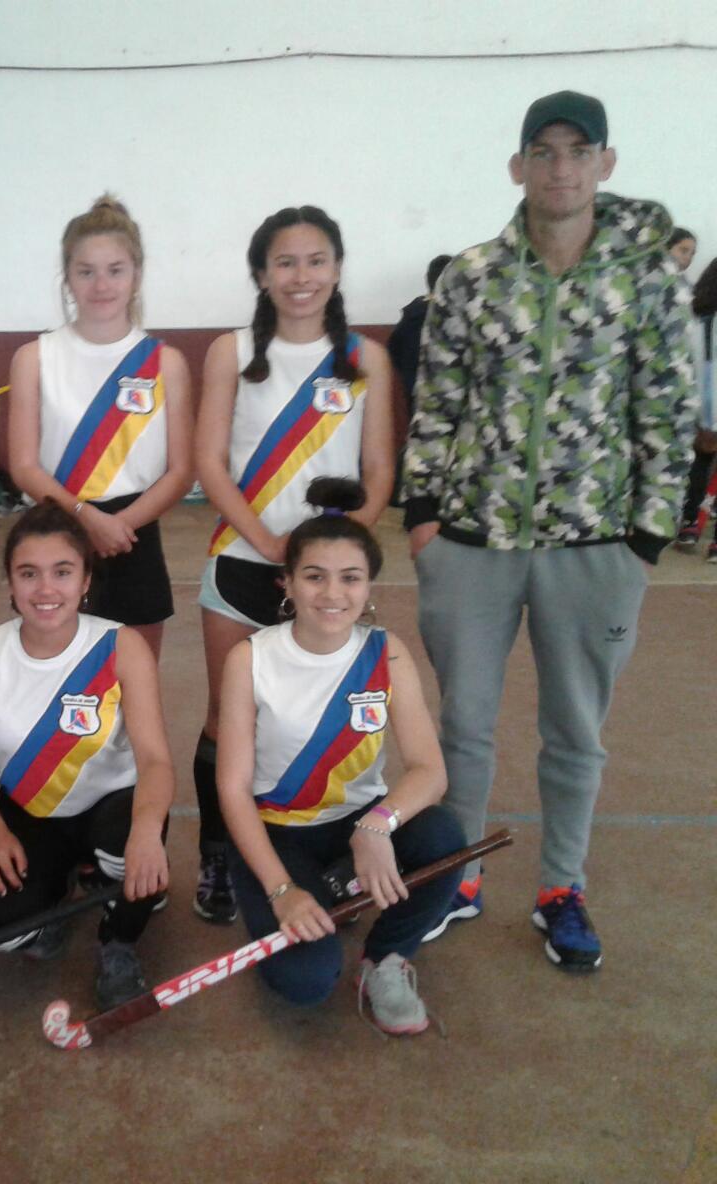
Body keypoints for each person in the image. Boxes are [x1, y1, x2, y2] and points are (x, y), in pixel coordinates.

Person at [403, 91, 697, 971]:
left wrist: (644, 539)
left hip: (595, 547)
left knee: (575, 732)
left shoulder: (646, 278)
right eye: (543, 150)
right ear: (517, 166)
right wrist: (424, 517)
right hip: (472, 542)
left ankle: (561, 888)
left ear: (606, 163)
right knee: (464, 725)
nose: (560, 167)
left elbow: (668, 410)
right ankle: (457, 878)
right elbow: (437, 401)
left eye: (578, 150)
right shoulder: (472, 277)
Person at [192, 206, 394, 924]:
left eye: (315, 260)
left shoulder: (366, 359)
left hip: (324, 581)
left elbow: (378, 471)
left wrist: (333, 561)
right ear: (261, 274)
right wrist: (273, 546)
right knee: (226, 718)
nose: (301, 276)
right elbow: (209, 463)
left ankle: (306, 846)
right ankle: (219, 856)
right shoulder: (231, 352)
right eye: (284, 262)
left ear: (336, 269)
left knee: (315, 711)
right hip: (243, 564)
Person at [217, 477, 463, 1034]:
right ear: (287, 583)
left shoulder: (386, 652)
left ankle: (386, 957)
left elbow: (430, 771)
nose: (333, 593)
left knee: (443, 837)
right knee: (305, 981)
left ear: (368, 584)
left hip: (355, 828)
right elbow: (231, 789)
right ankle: (291, 897)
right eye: (314, 576)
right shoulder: (249, 659)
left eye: (350, 577)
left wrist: (378, 825)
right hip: (278, 836)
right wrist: (282, 891)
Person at [0, 500, 172, 1010]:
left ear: (86, 580)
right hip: (31, 810)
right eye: (29, 573)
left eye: (62, 572)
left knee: (128, 852)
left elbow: (156, 760)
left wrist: (146, 831)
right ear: (10, 581)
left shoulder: (121, 646)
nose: (45, 589)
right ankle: (63, 883)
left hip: (114, 806)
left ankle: (118, 941)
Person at [7, 194, 193, 660]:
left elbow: (180, 471)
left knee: (135, 681)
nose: (101, 284)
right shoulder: (34, 358)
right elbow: (23, 465)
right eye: (86, 271)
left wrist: (120, 525)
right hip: (56, 528)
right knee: (52, 674)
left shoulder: (165, 363)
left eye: (115, 270)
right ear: (67, 277)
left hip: (134, 533)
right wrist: (87, 519)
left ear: (137, 274)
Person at [676, 256, 717, 556]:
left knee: (699, 463)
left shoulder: (694, 314)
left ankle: (690, 523)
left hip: (696, 401)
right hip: (707, 397)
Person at [386, 254, 453, 418]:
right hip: (449, 395)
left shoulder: (412, 315)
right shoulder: (453, 317)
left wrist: (409, 378)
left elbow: (392, 350)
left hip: (416, 394)